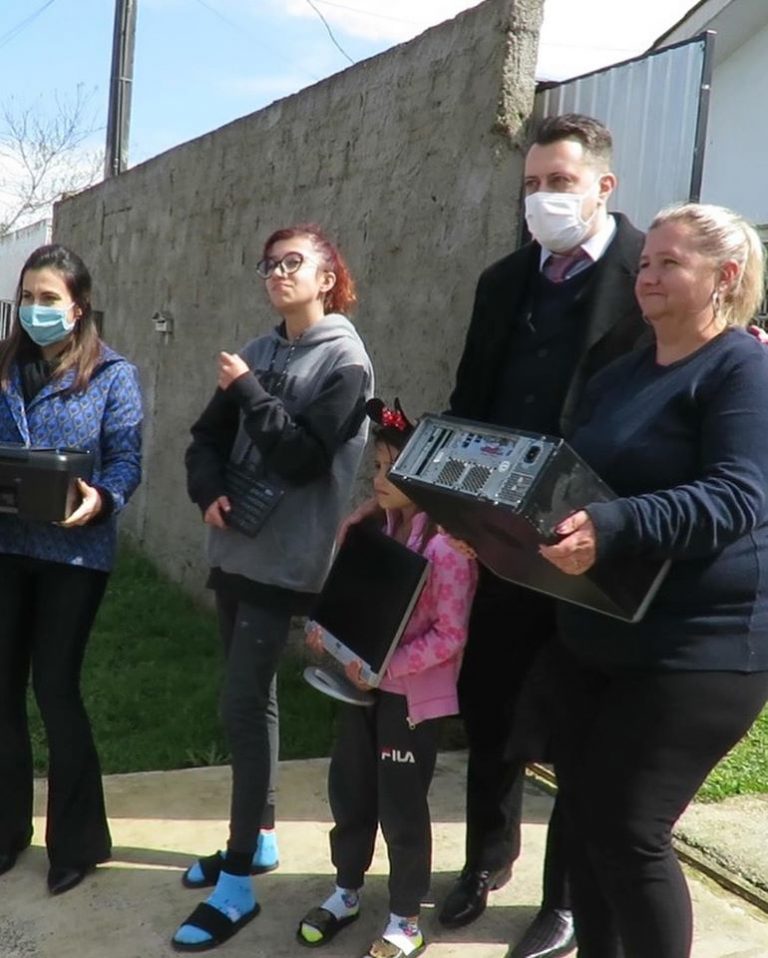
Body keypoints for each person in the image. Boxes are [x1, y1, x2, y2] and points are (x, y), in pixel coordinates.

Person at [431, 113, 648, 958]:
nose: (543, 199)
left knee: (577, 729)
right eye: (531, 185)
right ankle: (487, 859)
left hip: (595, 544)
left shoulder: (650, 274)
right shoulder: (503, 281)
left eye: (559, 182)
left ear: (603, 185)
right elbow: (472, 395)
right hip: (506, 542)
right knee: (491, 707)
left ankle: (562, 901)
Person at [538, 202, 768, 958]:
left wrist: (614, 526)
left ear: (725, 277)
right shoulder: (620, 374)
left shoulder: (743, 369)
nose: (648, 276)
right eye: (645, 263)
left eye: (670, 263)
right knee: (586, 825)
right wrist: (506, 526)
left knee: (630, 832)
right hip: (597, 629)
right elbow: (571, 479)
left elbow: (739, 496)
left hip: (697, 645)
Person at [177, 224, 374, 951]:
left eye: (293, 262)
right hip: (232, 549)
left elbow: (298, 460)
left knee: (238, 701)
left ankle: (236, 887)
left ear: (328, 275)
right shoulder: (257, 352)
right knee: (251, 700)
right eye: (268, 263)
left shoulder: (346, 364)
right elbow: (203, 437)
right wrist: (206, 490)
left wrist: (249, 390)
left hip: (286, 562)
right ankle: (258, 839)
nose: (277, 273)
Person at [297, 398, 478, 958]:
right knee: (350, 789)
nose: (376, 479)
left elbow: (450, 636)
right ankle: (346, 890)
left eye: (388, 468)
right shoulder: (386, 529)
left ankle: (405, 917)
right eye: (375, 467)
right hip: (361, 689)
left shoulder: (448, 550)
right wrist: (326, 629)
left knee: (401, 807)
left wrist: (388, 670)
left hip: (409, 701)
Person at [0, 244, 142, 896]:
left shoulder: (114, 376)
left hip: (74, 556)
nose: (36, 310)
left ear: (78, 306)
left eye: (49, 298)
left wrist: (100, 498)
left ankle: (78, 843)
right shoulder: (4, 368)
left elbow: (125, 462)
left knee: (55, 690)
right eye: (28, 298)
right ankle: (6, 832)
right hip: (5, 548)